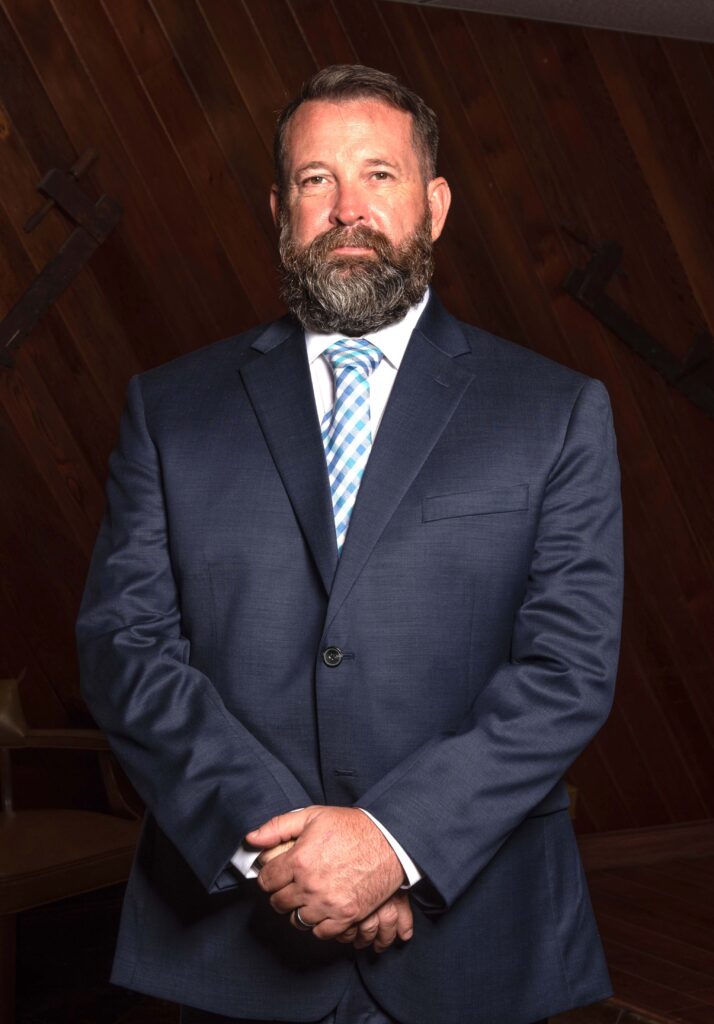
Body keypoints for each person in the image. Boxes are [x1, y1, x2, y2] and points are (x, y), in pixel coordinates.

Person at [76, 64, 623, 1024]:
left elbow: (567, 670)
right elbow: (126, 651)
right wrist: (290, 857)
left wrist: (392, 847)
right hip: (232, 944)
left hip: (477, 941)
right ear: (279, 209)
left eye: (379, 174)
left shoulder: (556, 411)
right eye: (316, 179)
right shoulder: (170, 410)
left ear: (434, 205)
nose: (347, 209)